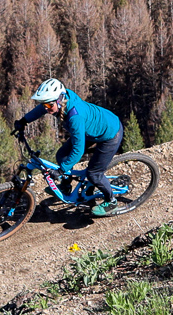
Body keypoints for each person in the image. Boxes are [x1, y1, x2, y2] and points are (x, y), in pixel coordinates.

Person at [13, 78, 125, 215]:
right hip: (90, 131)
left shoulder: (74, 117)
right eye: (45, 105)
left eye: (49, 106)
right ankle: (66, 185)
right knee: (62, 155)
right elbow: (40, 110)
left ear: (60, 100)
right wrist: (24, 120)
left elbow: (78, 150)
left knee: (94, 174)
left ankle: (111, 201)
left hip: (110, 133)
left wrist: (61, 170)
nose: (47, 109)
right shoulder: (62, 99)